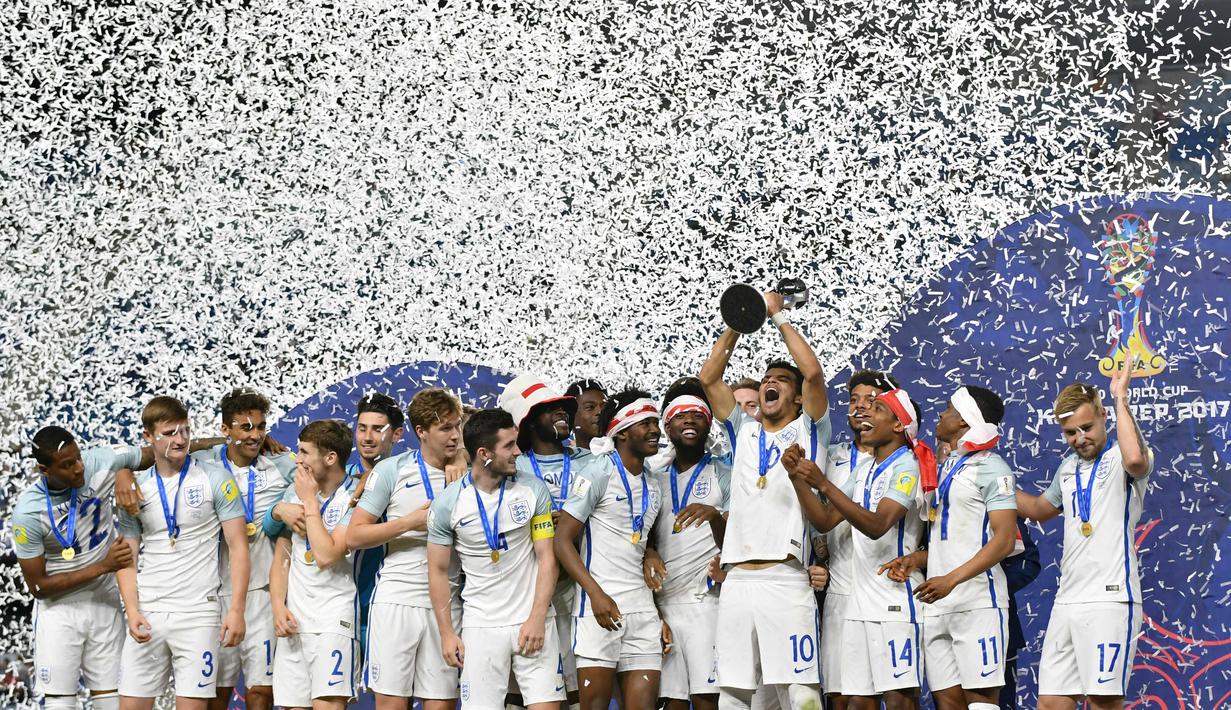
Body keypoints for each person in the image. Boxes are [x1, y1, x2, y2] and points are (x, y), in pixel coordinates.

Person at [697, 290, 831, 710]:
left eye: (781, 380)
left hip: (787, 579)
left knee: (802, 691)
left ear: (795, 398)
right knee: (734, 690)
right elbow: (709, 380)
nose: (770, 382)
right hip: (736, 582)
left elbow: (813, 374)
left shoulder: (811, 429)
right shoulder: (743, 431)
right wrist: (740, 320)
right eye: (766, 378)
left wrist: (776, 317)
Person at [1016, 362, 1152, 710]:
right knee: (1051, 701)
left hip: (1110, 598)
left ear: (1103, 415)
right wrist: (992, 482)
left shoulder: (1125, 455)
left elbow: (1136, 460)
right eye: (1070, 433)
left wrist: (1121, 398)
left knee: (1104, 701)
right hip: (1068, 599)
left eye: (1087, 427)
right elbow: (1039, 509)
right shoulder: (1068, 467)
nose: (1080, 438)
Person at [787, 387, 930, 710]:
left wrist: (824, 483)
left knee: (899, 701)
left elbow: (879, 526)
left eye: (877, 408)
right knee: (858, 703)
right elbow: (824, 520)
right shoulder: (864, 470)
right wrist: (796, 477)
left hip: (895, 602)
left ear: (898, 425)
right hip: (858, 603)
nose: (865, 413)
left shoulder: (907, 466)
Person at [880, 386, 1018, 710]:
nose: (941, 415)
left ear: (964, 421)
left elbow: (1004, 539)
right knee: (949, 706)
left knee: (982, 705)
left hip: (977, 604)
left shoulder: (992, 468)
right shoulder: (945, 470)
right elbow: (954, 540)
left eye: (948, 409)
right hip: (938, 601)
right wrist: (916, 559)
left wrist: (951, 579)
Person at [115, 397, 250, 710]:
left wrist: (236, 610)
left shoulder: (215, 478)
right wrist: (132, 610)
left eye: (185, 431)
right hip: (148, 613)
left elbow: (239, 547)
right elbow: (127, 557)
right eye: (170, 433)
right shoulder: (135, 487)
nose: (180, 439)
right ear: (148, 437)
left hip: (198, 615)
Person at [426, 409, 565, 709]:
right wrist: (447, 633)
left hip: (533, 619)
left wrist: (538, 617)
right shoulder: (448, 503)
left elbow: (547, 559)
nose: (518, 451)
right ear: (483, 454)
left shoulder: (533, 490)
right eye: (509, 446)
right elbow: (437, 572)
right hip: (481, 627)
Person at [11, 427, 148, 710]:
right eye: (67, 464)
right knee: (61, 705)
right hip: (59, 612)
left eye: (78, 458)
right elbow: (38, 587)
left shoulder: (100, 461)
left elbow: (158, 452)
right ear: (44, 469)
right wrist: (104, 566)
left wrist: (125, 471)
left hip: (105, 604)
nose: (79, 468)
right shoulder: (28, 512)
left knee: (111, 703)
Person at [344, 388, 465, 710]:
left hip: (449, 605)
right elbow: (354, 536)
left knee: (441, 703)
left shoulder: (470, 474)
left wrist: (465, 458)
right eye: (445, 428)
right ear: (421, 432)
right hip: (397, 600)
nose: (454, 436)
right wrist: (411, 522)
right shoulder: (392, 471)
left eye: (457, 426)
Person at [554, 389, 665, 710]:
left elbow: (639, 537)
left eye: (656, 422)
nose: (655, 430)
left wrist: (651, 552)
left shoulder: (653, 482)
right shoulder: (598, 472)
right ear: (622, 430)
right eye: (645, 423)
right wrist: (595, 594)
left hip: (643, 611)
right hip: (597, 610)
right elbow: (563, 541)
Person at [190, 388, 296, 710]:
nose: (256, 435)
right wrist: (124, 472)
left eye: (261, 427)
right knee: (215, 694)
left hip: (262, 593)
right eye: (246, 428)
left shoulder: (280, 464)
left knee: (261, 691)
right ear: (226, 429)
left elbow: (321, 470)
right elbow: (163, 451)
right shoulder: (201, 464)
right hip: (214, 594)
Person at [642, 378, 731, 710]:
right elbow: (644, 533)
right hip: (663, 603)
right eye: (680, 415)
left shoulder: (724, 472)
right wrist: (650, 550)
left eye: (697, 415)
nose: (689, 421)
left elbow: (736, 537)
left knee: (708, 699)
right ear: (667, 426)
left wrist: (716, 516)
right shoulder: (652, 477)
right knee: (670, 701)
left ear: (709, 424)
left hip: (706, 601)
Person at [500, 375, 587, 705]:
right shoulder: (510, 466)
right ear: (528, 421)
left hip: (577, 588)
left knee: (578, 687)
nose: (561, 414)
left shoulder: (590, 462)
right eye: (549, 410)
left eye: (562, 409)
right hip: (526, 589)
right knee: (526, 689)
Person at [268, 420, 358, 710]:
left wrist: (308, 503)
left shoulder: (355, 497)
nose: (298, 459)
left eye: (305, 452)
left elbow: (326, 555)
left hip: (334, 620)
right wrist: (278, 607)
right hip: (295, 622)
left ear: (330, 457)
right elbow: (282, 553)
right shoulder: (293, 494)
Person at [1000, 520, 1041, 709]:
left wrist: (986, 590)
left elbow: (1027, 563)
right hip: (940, 622)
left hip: (997, 626)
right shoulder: (929, 498)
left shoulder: (999, 499)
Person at [565, 379, 607, 454]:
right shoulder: (561, 463)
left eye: (604, 407)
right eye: (590, 407)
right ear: (571, 416)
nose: (600, 412)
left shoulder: (626, 457)